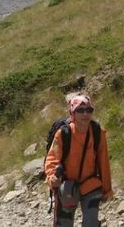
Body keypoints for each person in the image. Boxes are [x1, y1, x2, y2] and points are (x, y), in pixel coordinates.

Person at [45, 95, 113, 227]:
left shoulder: (98, 132)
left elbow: (103, 163)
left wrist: (107, 189)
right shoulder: (63, 133)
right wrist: (52, 178)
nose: (85, 114)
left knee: (91, 223)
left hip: (90, 185)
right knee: (64, 223)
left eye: (89, 110)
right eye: (80, 110)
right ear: (72, 113)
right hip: (67, 187)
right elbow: (52, 159)